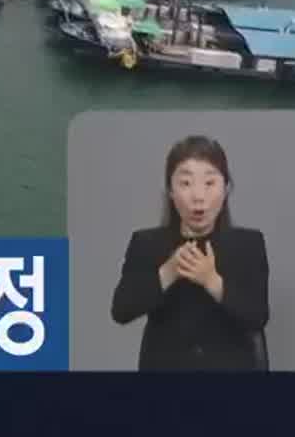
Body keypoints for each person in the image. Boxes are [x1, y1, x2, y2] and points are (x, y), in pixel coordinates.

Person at [110, 135, 269, 370]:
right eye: (185, 183)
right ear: (171, 191)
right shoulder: (147, 243)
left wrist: (212, 281)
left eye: (209, 183)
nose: (198, 196)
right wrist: (168, 272)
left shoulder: (248, 244)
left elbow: (257, 316)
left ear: (225, 189)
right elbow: (121, 311)